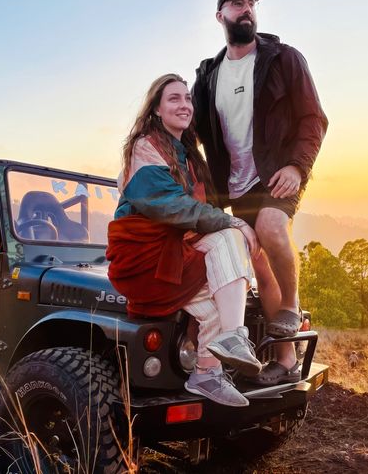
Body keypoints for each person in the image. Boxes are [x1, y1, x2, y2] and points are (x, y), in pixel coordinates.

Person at [192, 0, 328, 385]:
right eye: (238, 3)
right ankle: (284, 360)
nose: (247, 9)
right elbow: (197, 131)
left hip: (278, 174)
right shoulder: (208, 75)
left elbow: (313, 119)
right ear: (221, 16)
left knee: (271, 227)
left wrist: (298, 168)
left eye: (251, 3)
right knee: (258, 265)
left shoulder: (283, 59)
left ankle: (291, 305)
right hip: (232, 186)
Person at [107, 73, 263, 407]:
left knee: (222, 296)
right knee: (226, 235)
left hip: (175, 250)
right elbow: (169, 205)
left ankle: (206, 373)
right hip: (143, 257)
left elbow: (203, 208)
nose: (184, 104)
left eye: (187, 98)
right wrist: (232, 221)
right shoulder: (145, 147)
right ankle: (234, 338)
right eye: (174, 98)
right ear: (157, 110)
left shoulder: (189, 156)